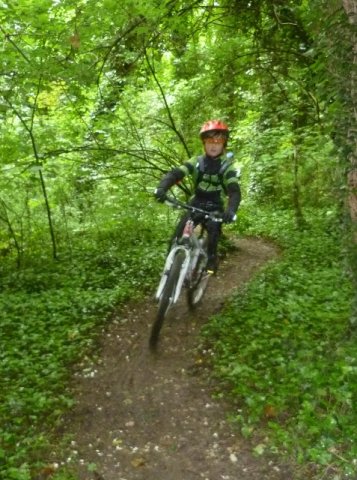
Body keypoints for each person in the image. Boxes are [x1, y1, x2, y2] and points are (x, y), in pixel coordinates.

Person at [154, 119, 241, 274]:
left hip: (215, 207)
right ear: (204, 143)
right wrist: (162, 188)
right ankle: (168, 270)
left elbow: (234, 190)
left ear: (224, 144)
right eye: (209, 141)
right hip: (196, 203)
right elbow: (176, 174)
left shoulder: (227, 167)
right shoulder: (197, 162)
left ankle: (211, 262)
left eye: (218, 141)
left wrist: (231, 210)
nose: (213, 145)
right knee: (178, 233)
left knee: (214, 232)